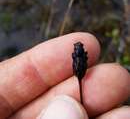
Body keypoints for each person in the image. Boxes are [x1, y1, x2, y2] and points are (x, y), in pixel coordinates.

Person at [0, 32, 129, 119]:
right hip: (79, 71)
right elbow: (79, 59)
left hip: (80, 71)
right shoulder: (78, 55)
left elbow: (80, 58)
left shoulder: (78, 55)